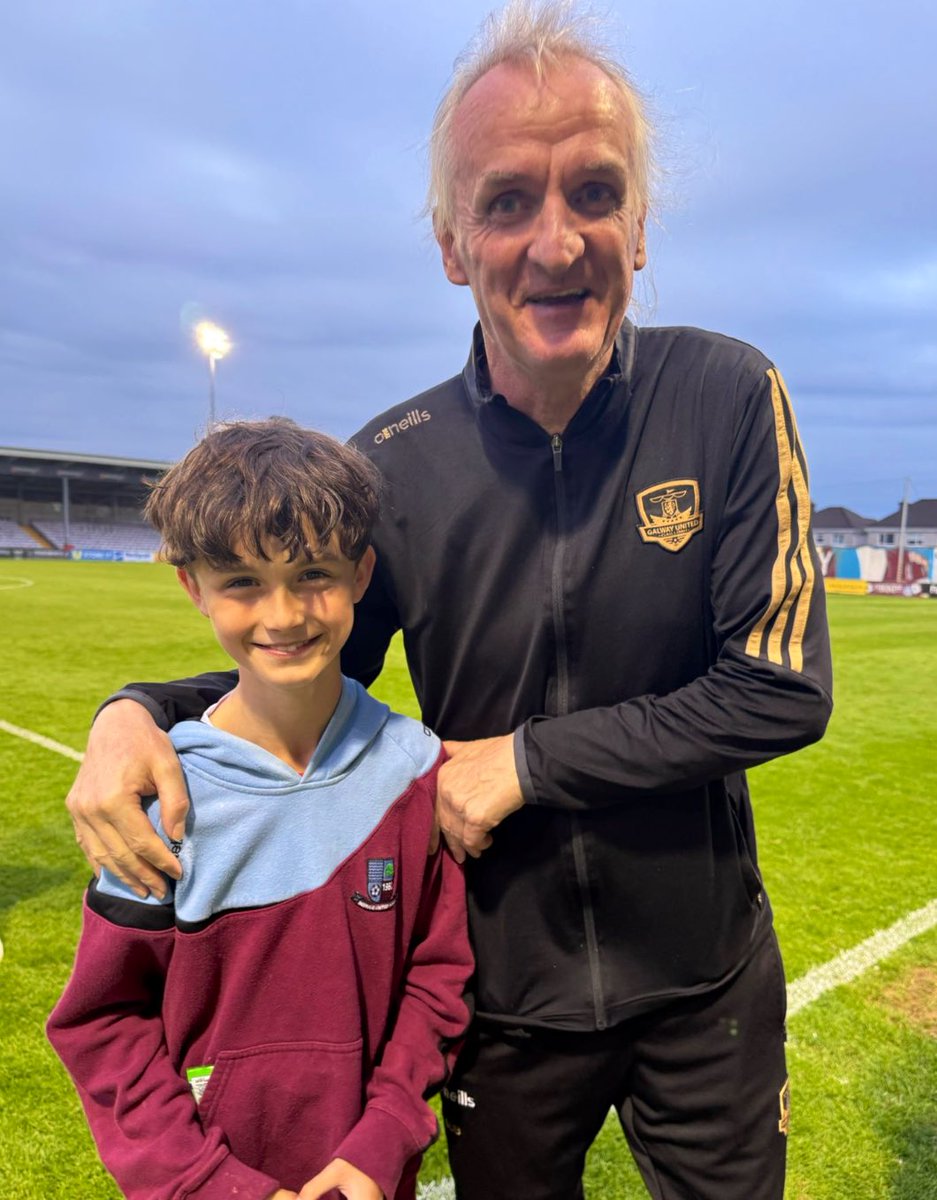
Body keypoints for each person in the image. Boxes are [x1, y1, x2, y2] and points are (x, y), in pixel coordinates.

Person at [65, 3, 833, 1198]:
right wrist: (137, 711)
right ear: (450, 243)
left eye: (594, 192)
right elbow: (306, 663)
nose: (556, 242)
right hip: (498, 995)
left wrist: (524, 762)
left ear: (639, 225)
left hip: (704, 982)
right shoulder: (394, 466)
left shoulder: (726, 393)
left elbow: (777, 689)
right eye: (507, 202)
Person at [49, 418, 472, 1200]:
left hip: (369, 1181)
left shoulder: (415, 770)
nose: (283, 616)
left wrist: (382, 1141)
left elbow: (437, 976)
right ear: (193, 588)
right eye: (242, 581)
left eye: (312, 573)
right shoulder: (160, 797)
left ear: (361, 574)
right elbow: (104, 1024)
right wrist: (209, 1181)